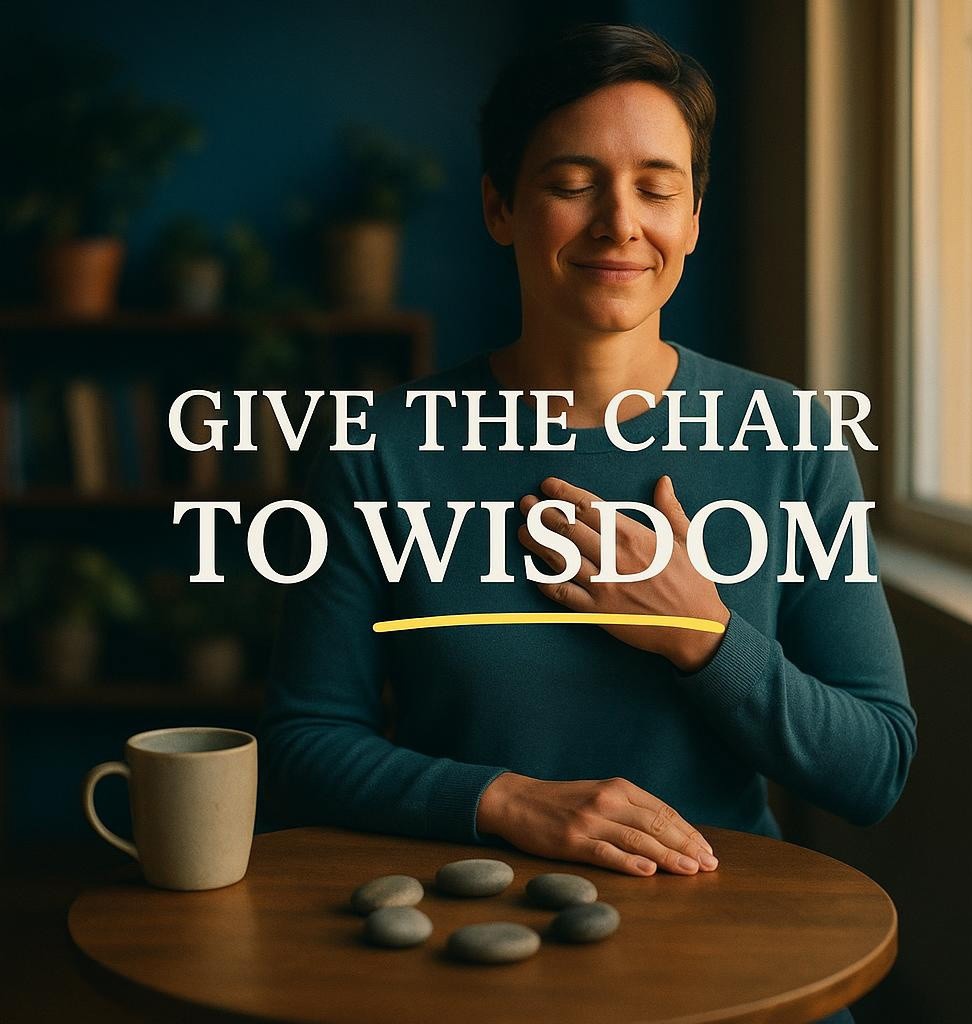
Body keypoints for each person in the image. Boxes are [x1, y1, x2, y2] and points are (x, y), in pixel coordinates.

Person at [259, 24, 915, 1022]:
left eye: (657, 188)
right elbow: (304, 742)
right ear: (498, 206)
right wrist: (510, 800)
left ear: (694, 217)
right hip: (467, 951)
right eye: (572, 181)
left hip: (742, 960)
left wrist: (703, 635)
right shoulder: (377, 452)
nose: (620, 224)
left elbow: (873, 766)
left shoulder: (791, 442)